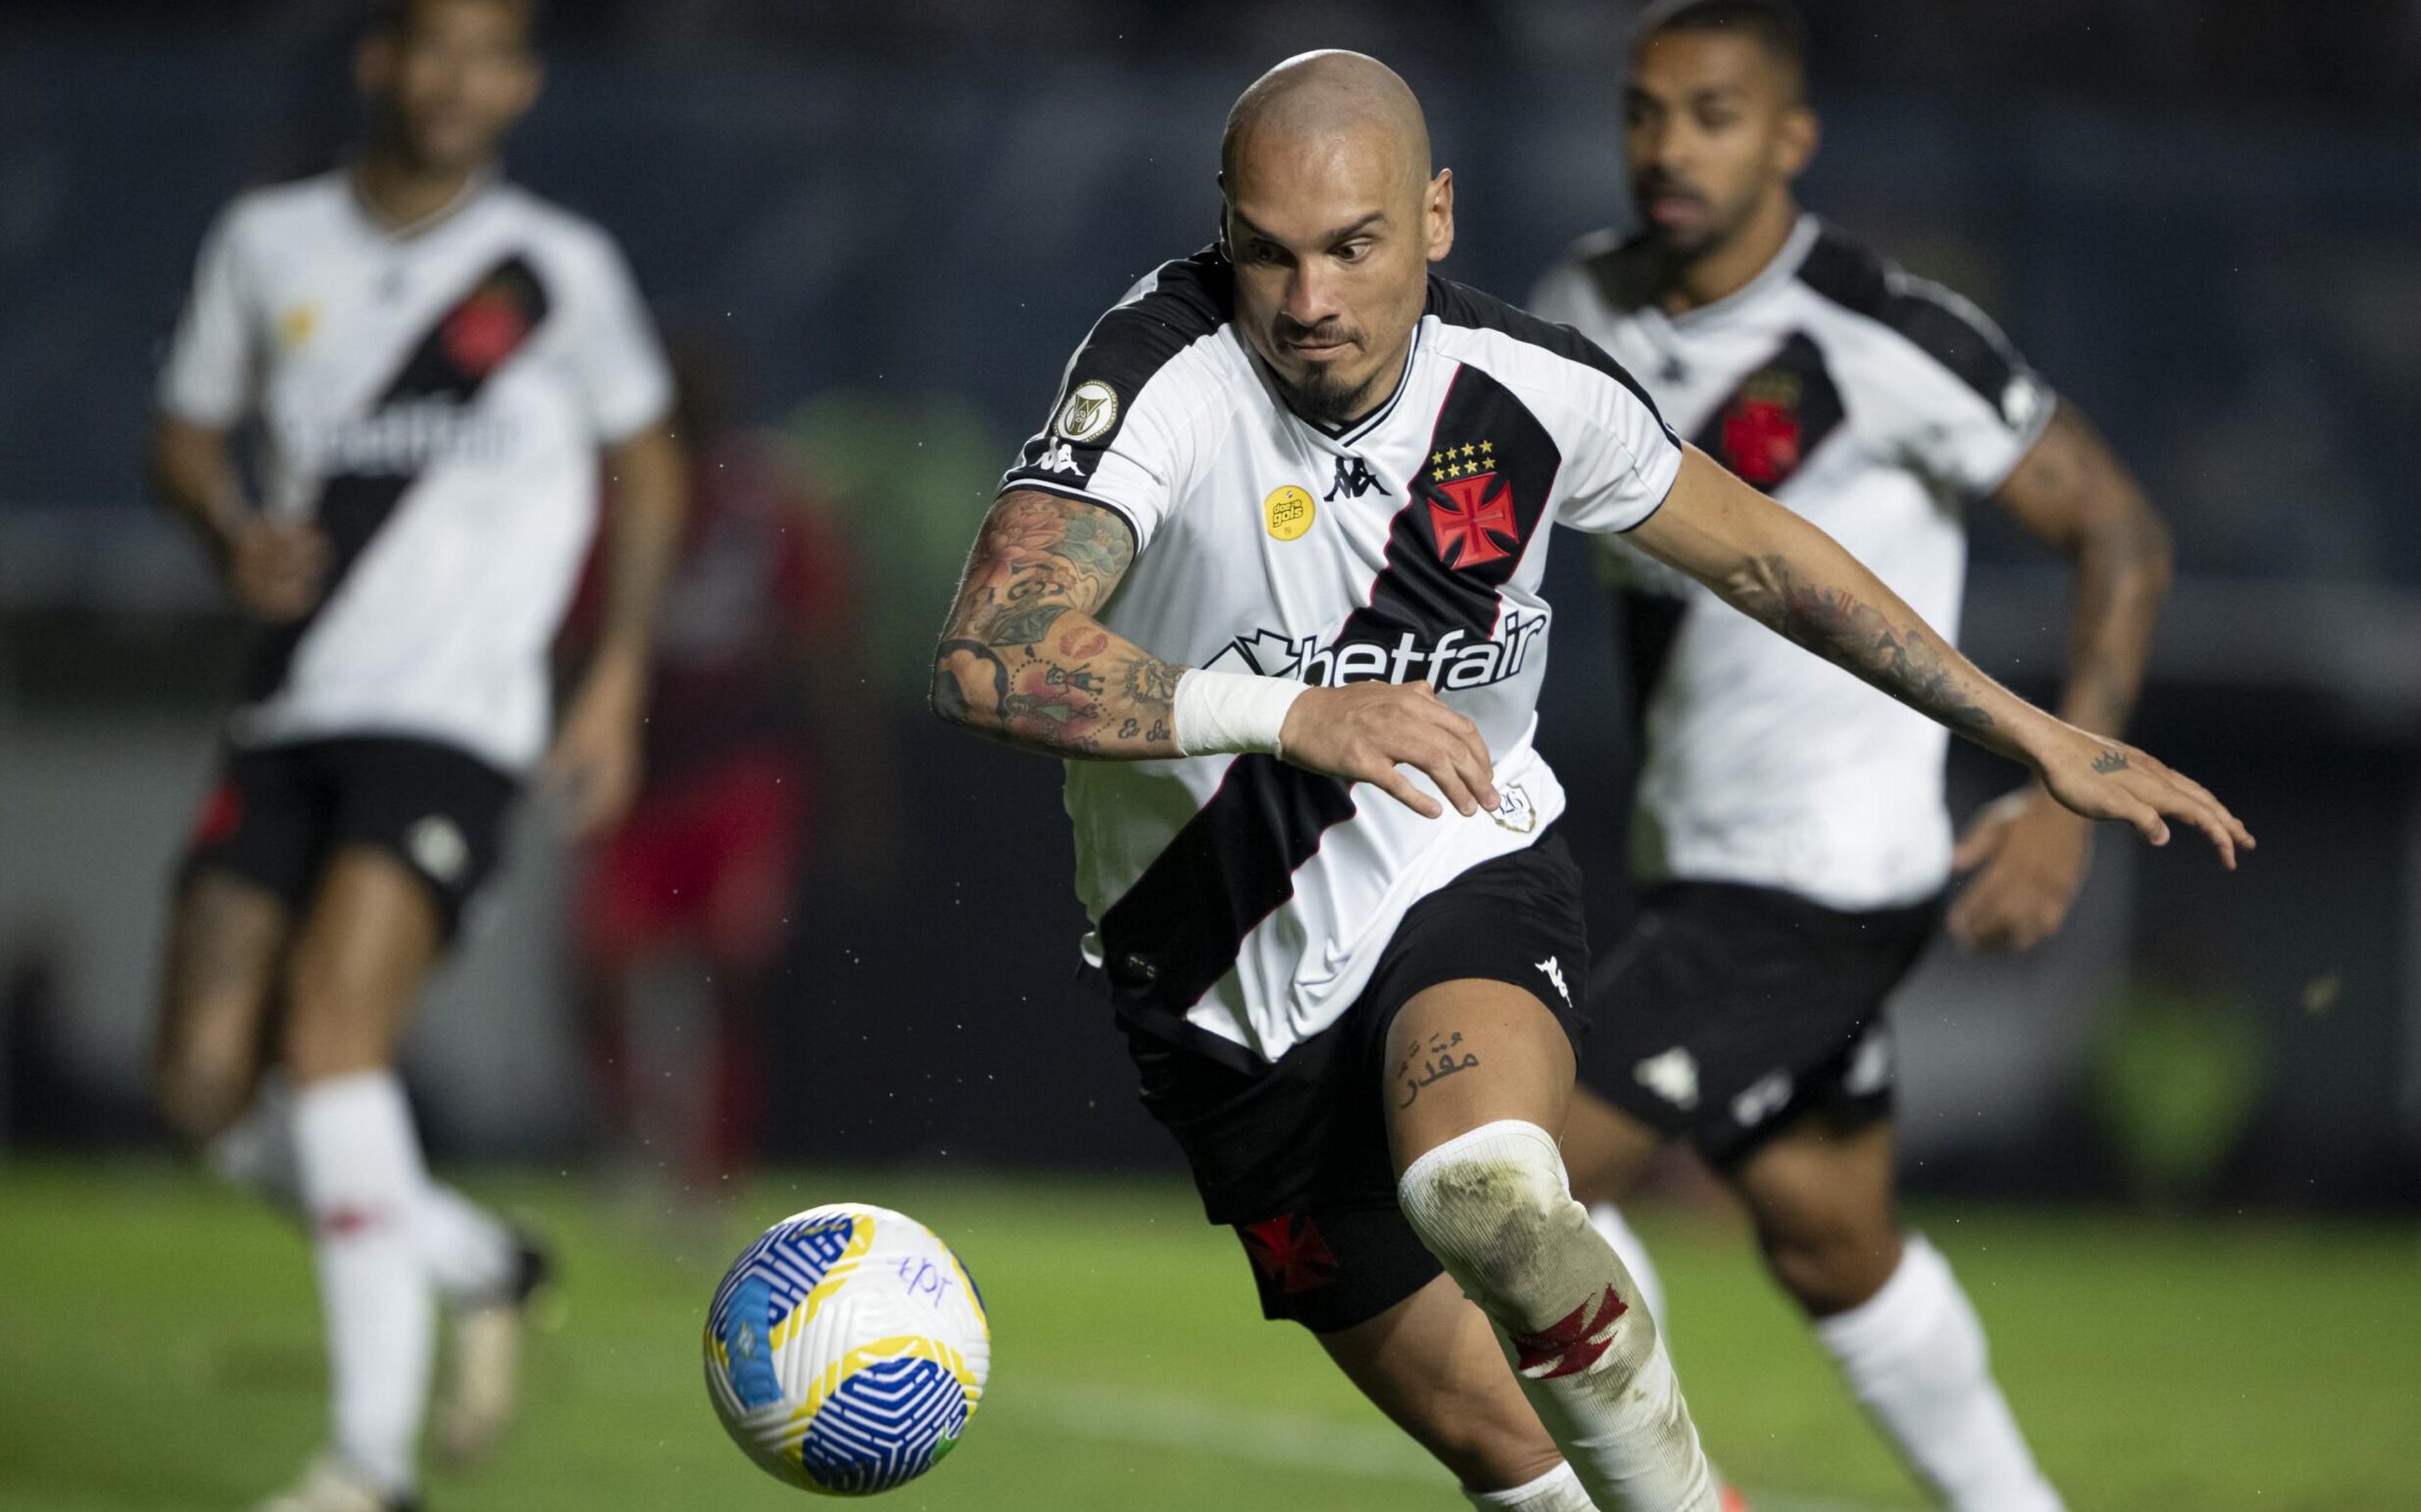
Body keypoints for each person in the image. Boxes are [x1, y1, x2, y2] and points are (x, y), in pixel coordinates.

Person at [931, 49, 2246, 1512]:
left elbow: (1766, 556)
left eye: (1354, 247)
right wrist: (1290, 715)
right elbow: (990, 655)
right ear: (1223, 228)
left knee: (1486, 1185)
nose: (1310, 302)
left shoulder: (1538, 391)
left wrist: (2033, 735)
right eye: (1271, 252)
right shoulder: (1162, 371)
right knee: (1527, 1466)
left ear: (1436, 215)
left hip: (1458, 874)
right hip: (1210, 996)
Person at [1527, 3, 2180, 1508]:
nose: (1671, 147)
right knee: (1830, 1234)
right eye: (1645, 112)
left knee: (1515, 1184)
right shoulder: (1584, 299)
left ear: (1792, 138)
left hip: (1820, 880)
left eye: (1714, 113)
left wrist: (2058, 792)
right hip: (1695, 860)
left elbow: (2119, 528)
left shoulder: (1891, 336)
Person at [145, 1, 685, 1507]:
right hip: (293, 703)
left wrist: (616, 677)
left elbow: (645, 462)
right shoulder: (269, 244)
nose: (460, 79)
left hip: (456, 726)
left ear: (520, 81)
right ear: (380, 61)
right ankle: (473, 1257)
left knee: (331, 1039)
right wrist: (224, 527)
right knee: (197, 1084)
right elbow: (184, 433)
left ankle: (367, 1466)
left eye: (492, 53)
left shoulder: (557, 274)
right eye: (431, 46)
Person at [572, 340, 888, 1192]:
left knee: (737, 962)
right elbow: (571, 639)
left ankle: (713, 1164)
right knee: (602, 964)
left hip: (743, 766)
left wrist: (858, 789)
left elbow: (825, 649)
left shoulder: (773, 502)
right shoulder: (611, 504)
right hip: (642, 767)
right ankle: (634, 1136)